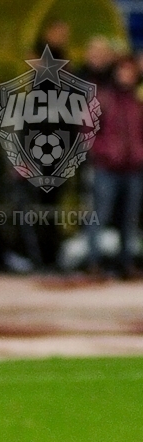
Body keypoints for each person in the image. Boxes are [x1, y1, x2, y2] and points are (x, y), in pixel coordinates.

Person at [86, 56, 143, 278]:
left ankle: (126, 262)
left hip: (133, 169)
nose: (126, 76)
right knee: (100, 215)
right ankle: (94, 262)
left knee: (130, 219)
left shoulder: (137, 102)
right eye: (122, 71)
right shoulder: (103, 99)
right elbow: (87, 131)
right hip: (106, 169)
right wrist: (104, 152)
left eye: (130, 72)